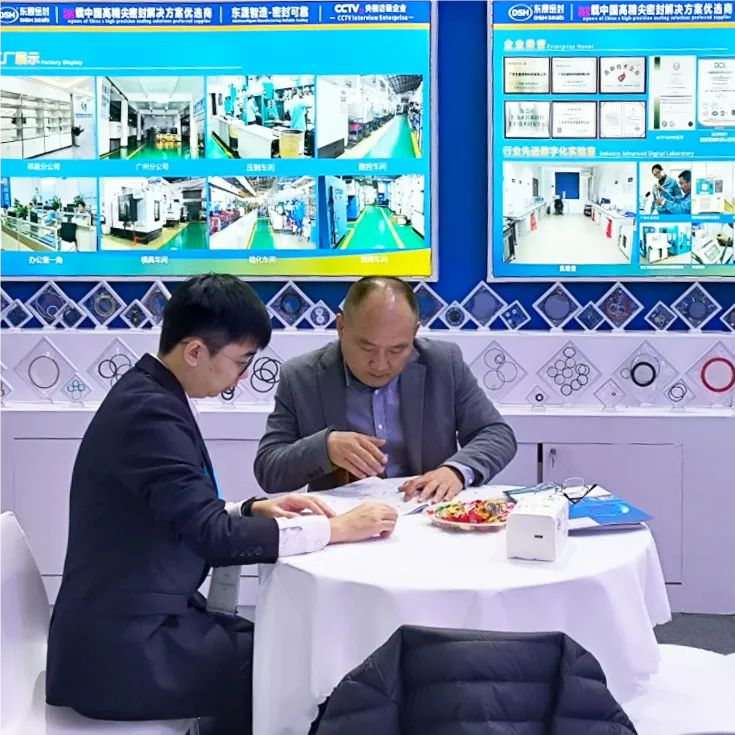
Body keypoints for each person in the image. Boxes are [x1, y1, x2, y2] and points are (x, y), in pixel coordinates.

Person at [46, 274, 397, 734]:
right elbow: (213, 537)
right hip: (122, 652)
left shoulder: (148, 394)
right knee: (294, 661)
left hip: (130, 629)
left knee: (282, 645)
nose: (243, 375)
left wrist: (250, 510)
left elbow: (180, 510)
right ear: (195, 351)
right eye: (241, 360)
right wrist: (335, 529)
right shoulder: (150, 413)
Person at [255, 276, 517, 503]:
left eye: (397, 349)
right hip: (345, 525)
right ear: (341, 327)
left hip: (427, 513)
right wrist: (325, 449)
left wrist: (456, 471)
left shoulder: (443, 363)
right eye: (367, 348)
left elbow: (496, 434)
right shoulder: (301, 377)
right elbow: (268, 469)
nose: (380, 365)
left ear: (414, 333)